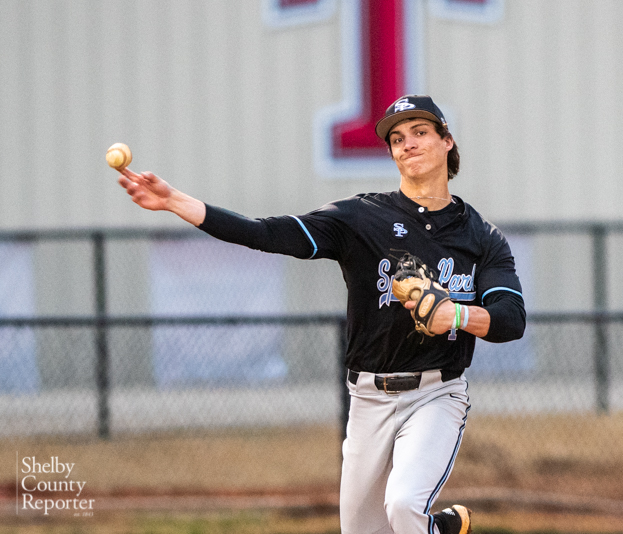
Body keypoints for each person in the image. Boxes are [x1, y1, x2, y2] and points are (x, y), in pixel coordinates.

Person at [116, 94, 525, 534]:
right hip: (368, 398)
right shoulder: (362, 217)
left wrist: (457, 317)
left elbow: (510, 318)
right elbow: (265, 233)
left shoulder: (481, 236)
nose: (407, 143)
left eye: (420, 132)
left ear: (447, 142)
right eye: (397, 138)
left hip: (436, 395)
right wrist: (176, 201)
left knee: (404, 506)